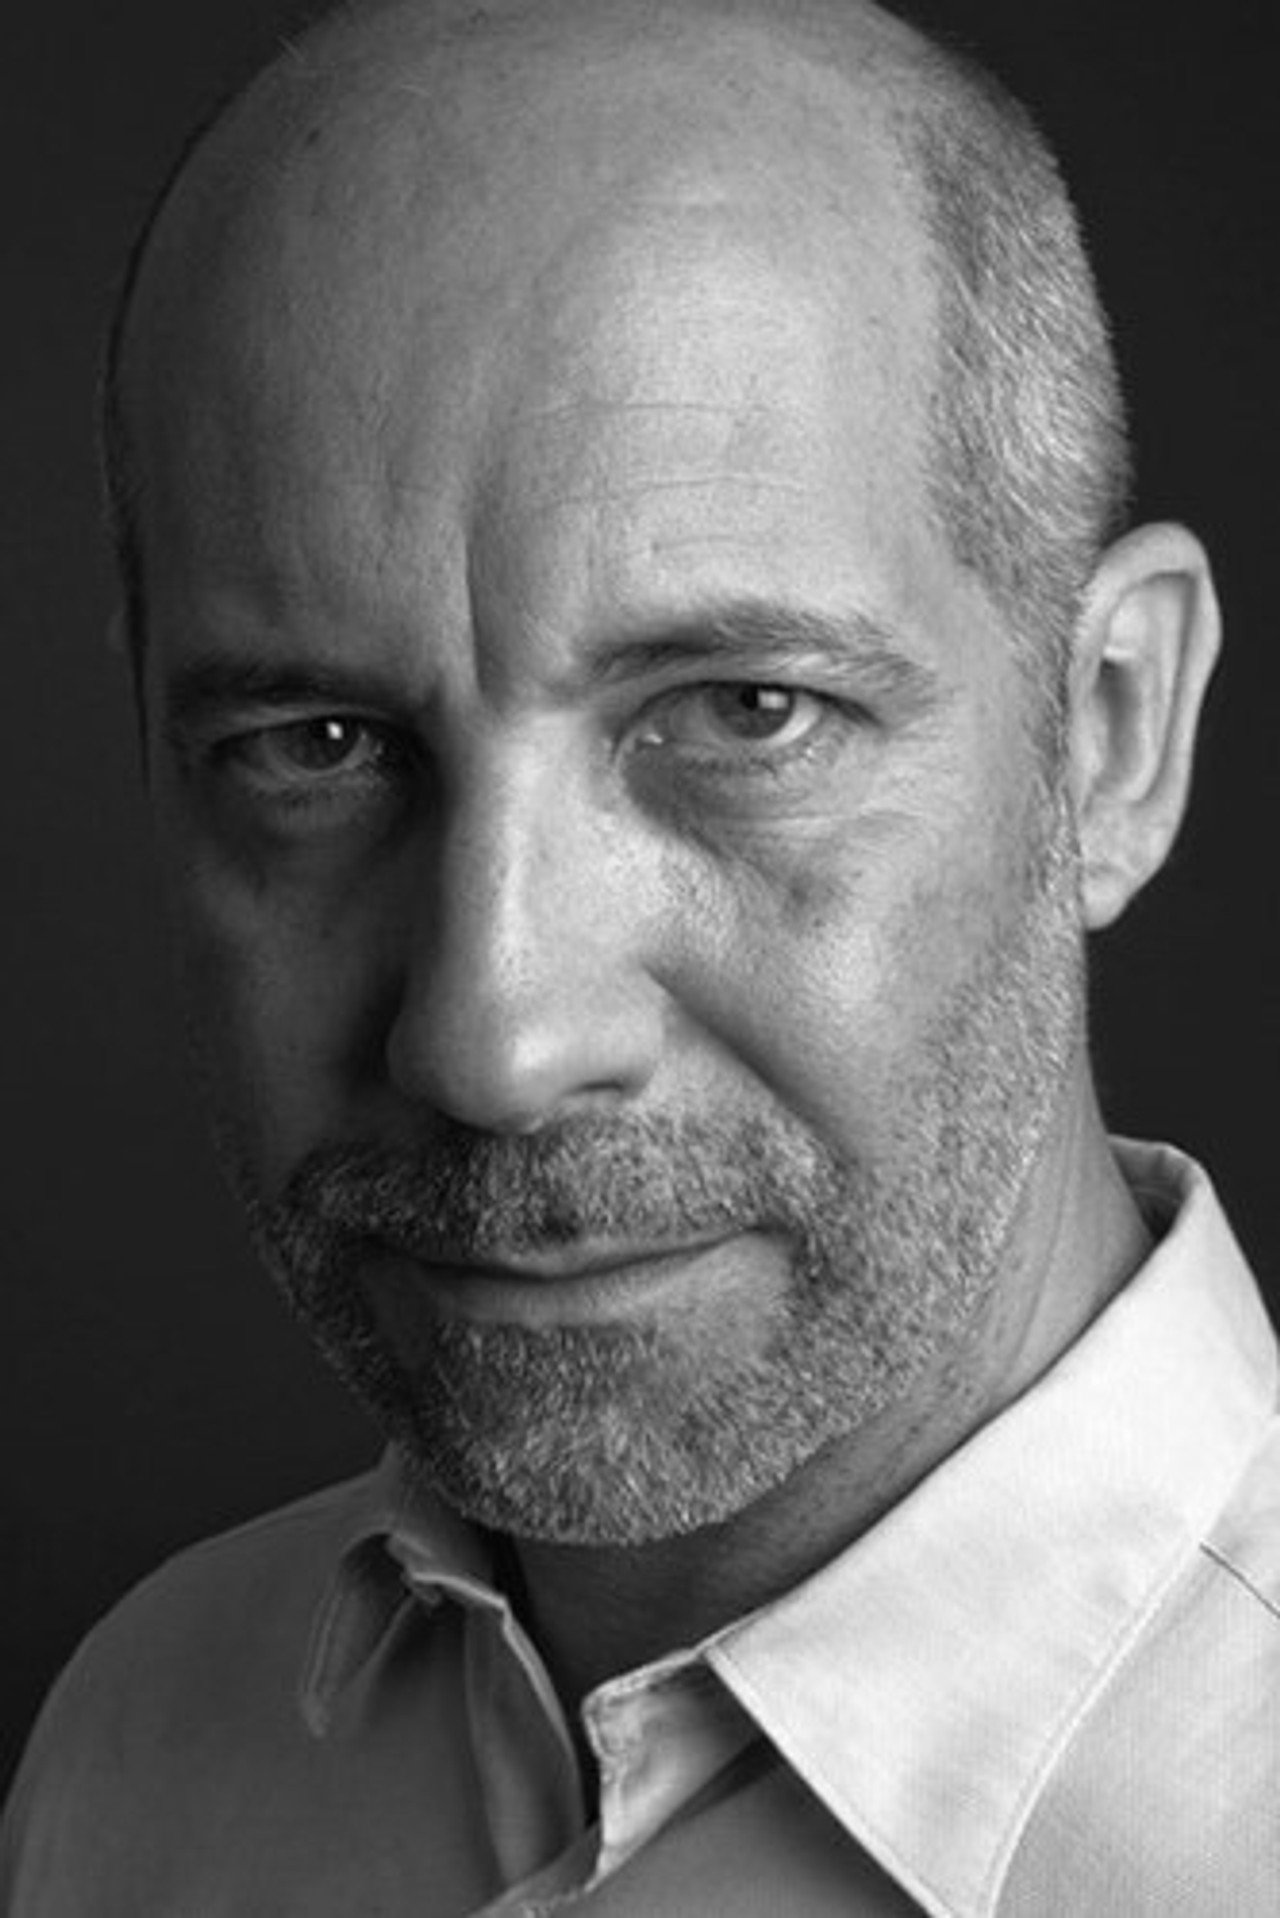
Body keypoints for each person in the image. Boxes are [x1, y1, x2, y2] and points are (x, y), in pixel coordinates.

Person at [3, 0, 1276, 1908]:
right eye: (317, 746)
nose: (493, 1036)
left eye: (744, 713)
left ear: (1108, 733)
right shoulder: (137, 1747)